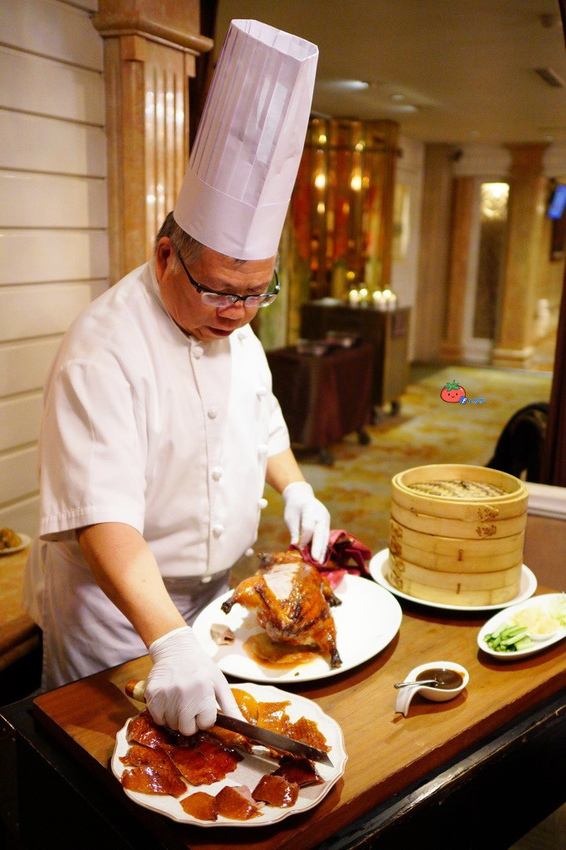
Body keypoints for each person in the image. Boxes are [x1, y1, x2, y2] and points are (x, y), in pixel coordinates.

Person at [22, 20, 328, 736]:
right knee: (114, 784)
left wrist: (298, 489)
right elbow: (104, 518)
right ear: (166, 255)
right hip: (118, 621)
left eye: (259, 292)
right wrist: (166, 640)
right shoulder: (105, 348)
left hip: (217, 602)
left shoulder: (237, 326)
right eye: (224, 290)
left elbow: (263, 427)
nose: (240, 312)